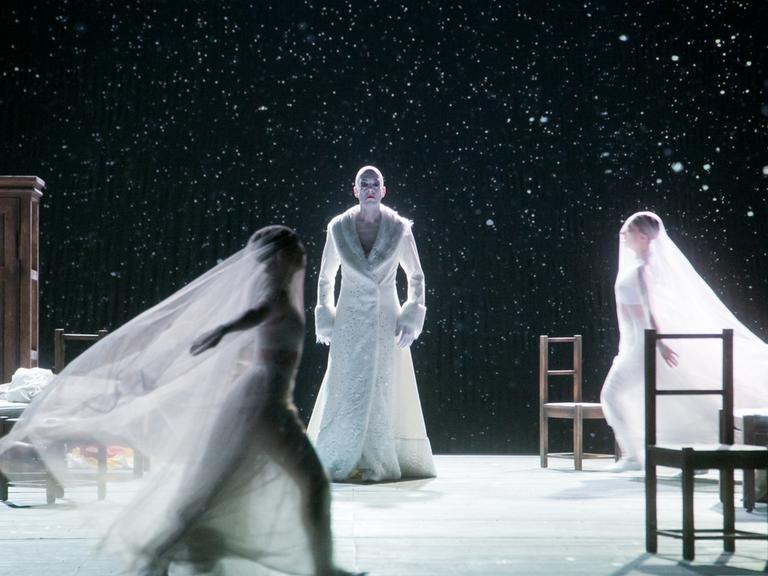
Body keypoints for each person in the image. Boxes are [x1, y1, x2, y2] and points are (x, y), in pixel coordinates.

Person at [0, 226, 362, 576]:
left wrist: (230, 346)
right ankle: (322, 568)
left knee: (213, 489)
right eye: (294, 246)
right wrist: (225, 329)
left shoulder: (278, 291)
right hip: (264, 406)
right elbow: (259, 313)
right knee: (306, 483)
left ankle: (159, 555)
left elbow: (258, 333)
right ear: (279, 256)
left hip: (261, 400)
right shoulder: (275, 294)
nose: (302, 251)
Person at [601, 211, 768, 472]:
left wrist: (659, 342)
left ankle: (637, 456)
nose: (624, 236)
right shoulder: (639, 265)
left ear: (643, 236)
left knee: (611, 395)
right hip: (637, 342)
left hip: (643, 344)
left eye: (630, 232)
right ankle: (650, 454)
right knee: (653, 401)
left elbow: (650, 309)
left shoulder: (643, 268)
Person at [307, 166, 436, 482]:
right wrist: (325, 314)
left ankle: (375, 462)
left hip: (384, 317)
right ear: (354, 190)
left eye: (374, 183)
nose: (369, 188)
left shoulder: (398, 228)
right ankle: (339, 455)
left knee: (381, 386)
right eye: (363, 184)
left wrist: (411, 315)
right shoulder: (338, 228)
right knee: (345, 384)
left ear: (383, 190)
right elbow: (326, 277)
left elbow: (416, 276)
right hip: (349, 317)